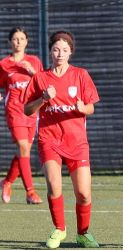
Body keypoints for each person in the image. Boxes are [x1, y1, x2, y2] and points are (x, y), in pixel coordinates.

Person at [22, 30, 99, 249]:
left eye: (65, 50)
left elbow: (91, 106)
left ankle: (83, 233)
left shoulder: (81, 75)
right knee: (54, 187)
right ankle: (59, 228)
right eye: (56, 49)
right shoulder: (40, 78)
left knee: (83, 193)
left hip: (77, 142)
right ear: (50, 51)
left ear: (70, 52)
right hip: (49, 140)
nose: (60, 53)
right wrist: (43, 99)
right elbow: (28, 110)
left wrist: (83, 107)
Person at [0, 27, 43, 204]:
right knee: (23, 147)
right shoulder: (4, 64)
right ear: (10, 42)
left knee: (23, 151)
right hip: (14, 110)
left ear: (27, 42)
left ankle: (7, 182)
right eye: (15, 39)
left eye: (22, 38)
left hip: (31, 111)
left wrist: (33, 72)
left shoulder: (34, 61)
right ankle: (30, 192)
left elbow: (44, 82)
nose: (18, 42)